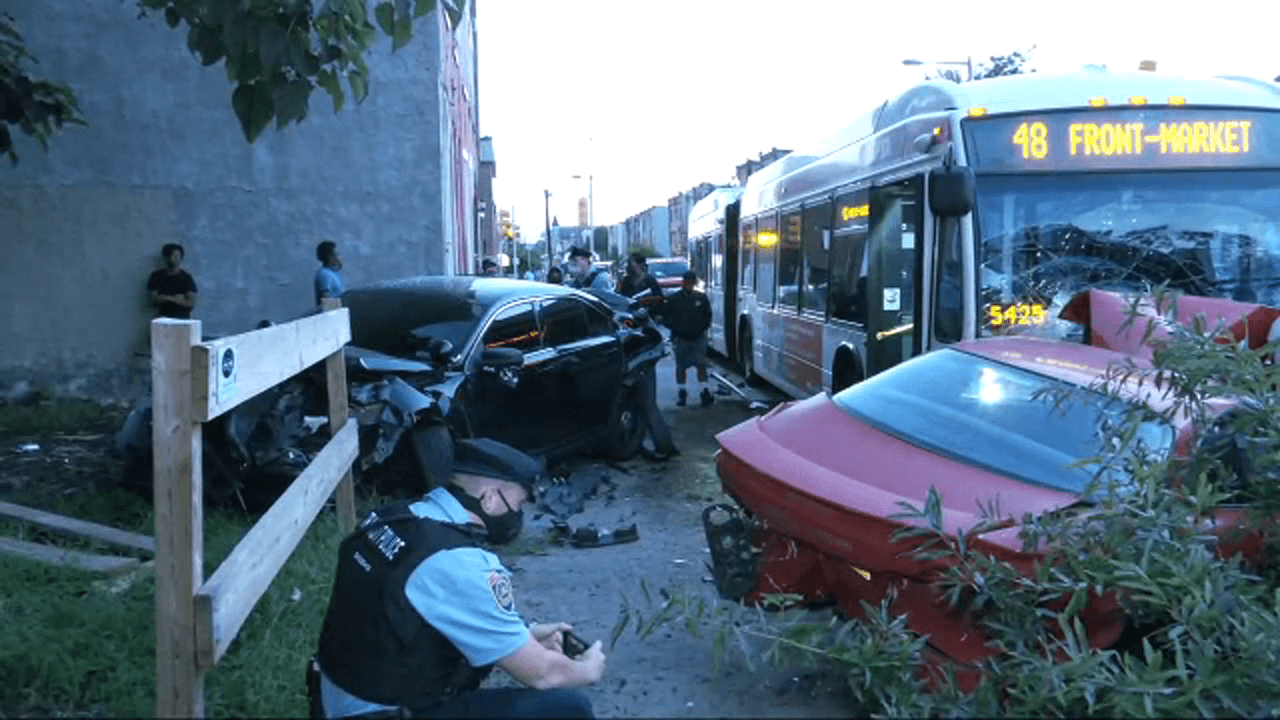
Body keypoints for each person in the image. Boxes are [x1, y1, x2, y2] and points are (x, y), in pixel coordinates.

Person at [311, 438, 605, 719]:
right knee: (567, 706)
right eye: (518, 504)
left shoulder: (391, 517)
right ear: (489, 498)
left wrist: (527, 635)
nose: (518, 515)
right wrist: (587, 669)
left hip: (339, 693)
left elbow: (405, 620)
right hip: (385, 711)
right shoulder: (458, 561)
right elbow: (544, 674)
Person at [662, 270, 714, 407]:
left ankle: (704, 391)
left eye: (692, 283)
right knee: (681, 367)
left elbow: (708, 316)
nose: (690, 285)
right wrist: (675, 328)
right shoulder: (674, 299)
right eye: (688, 283)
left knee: (701, 365)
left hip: (697, 337)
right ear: (683, 283)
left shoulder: (701, 298)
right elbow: (665, 317)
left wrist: (702, 328)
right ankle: (682, 393)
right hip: (681, 338)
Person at [147, 243, 198, 319]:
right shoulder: (157, 276)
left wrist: (166, 298)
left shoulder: (186, 278)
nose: (177, 259)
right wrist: (176, 298)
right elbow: (154, 300)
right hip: (163, 320)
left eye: (179, 256)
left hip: (182, 320)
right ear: (167, 257)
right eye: (174, 256)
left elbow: (190, 303)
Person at [315, 240, 344, 306]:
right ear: (330, 257)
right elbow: (327, 302)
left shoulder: (334, 273)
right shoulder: (324, 274)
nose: (340, 257)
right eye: (337, 254)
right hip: (333, 315)